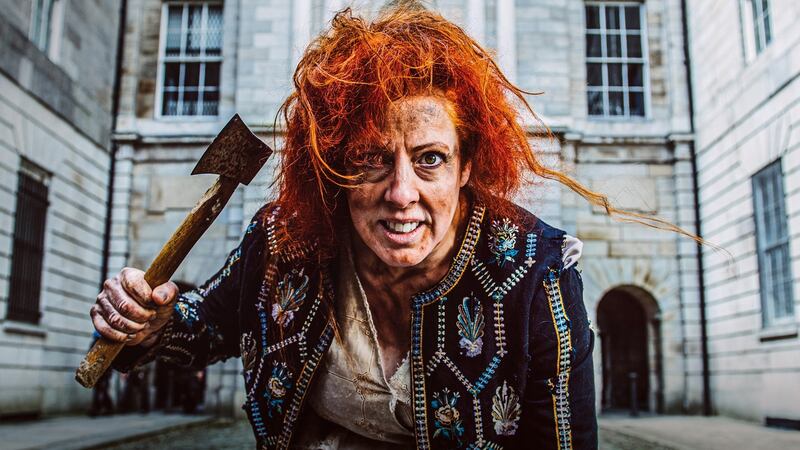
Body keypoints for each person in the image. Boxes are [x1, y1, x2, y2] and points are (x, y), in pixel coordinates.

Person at [90, 4, 693, 449]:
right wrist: (149, 322)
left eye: (429, 158)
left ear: (467, 166)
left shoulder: (537, 272)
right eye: (372, 158)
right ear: (335, 165)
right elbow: (202, 328)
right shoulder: (283, 239)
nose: (402, 194)